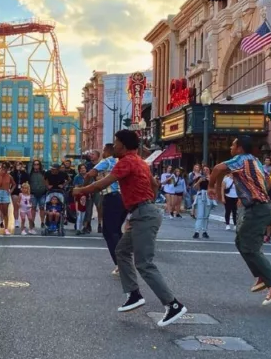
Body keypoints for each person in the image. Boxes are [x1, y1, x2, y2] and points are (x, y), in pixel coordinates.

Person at [74, 130, 188, 326]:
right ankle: (134, 294)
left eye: (117, 143)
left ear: (124, 146)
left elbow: (103, 184)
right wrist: (144, 203)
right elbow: (153, 184)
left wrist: (80, 190)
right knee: (122, 251)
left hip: (144, 215)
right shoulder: (140, 161)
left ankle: (173, 304)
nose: (114, 147)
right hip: (141, 213)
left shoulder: (126, 161)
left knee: (144, 263)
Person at [208, 136, 271, 305]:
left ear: (240, 148)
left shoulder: (240, 159)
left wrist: (210, 186)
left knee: (249, 246)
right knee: (241, 242)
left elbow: (217, 168)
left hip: (258, 208)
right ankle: (261, 276)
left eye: (233, 145)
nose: (230, 147)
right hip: (260, 207)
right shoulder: (255, 161)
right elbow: (268, 182)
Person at [83, 143, 124, 275]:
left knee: (109, 232)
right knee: (117, 230)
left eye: (104, 151)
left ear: (107, 151)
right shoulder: (123, 161)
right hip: (124, 198)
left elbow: (90, 174)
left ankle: (121, 263)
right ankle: (125, 257)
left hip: (111, 197)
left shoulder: (107, 161)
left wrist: (84, 187)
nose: (103, 153)